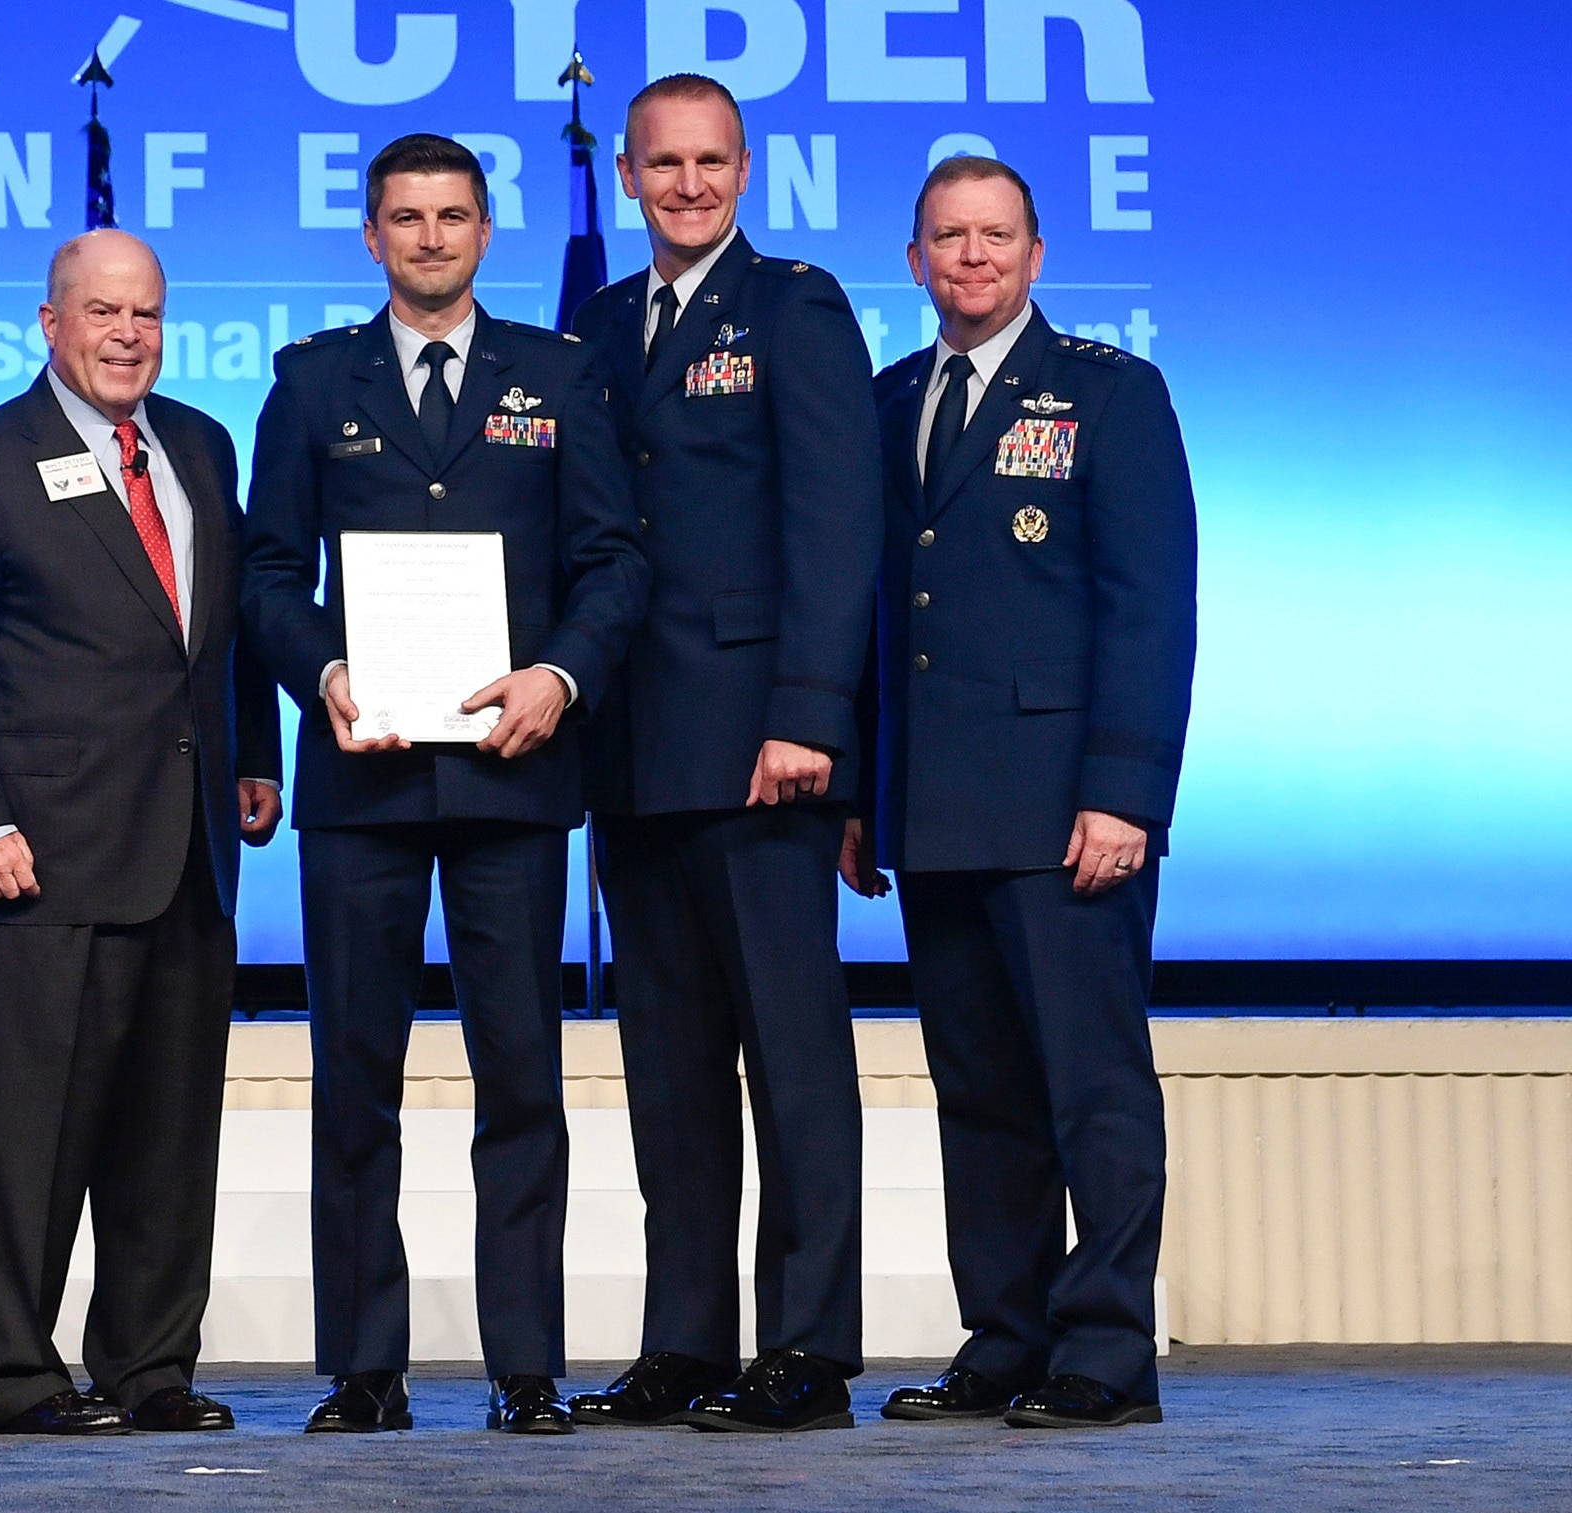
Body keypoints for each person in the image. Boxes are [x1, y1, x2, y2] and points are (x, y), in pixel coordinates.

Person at [241, 134, 649, 1437]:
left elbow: (613, 563)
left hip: (514, 783)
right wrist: (325, 675)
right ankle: (367, 1368)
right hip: (360, 783)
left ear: (489, 230)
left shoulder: (562, 374)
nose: (429, 237)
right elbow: (264, 576)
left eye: (453, 215)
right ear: (372, 237)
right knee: (354, 1080)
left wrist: (561, 679)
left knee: (521, 1081)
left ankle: (527, 1369)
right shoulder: (313, 383)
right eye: (405, 219)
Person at [0, 229, 284, 1436]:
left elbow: (217, 634)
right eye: (102, 312)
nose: (127, 335)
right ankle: (13, 1374)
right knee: (36, 1130)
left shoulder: (203, 448)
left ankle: (147, 1364)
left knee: (170, 1131)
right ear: (50, 322)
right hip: (42, 856)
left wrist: (255, 759)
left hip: (190, 848)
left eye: (147, 315)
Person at [846, 156, 1197, 1429]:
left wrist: (1123, 795)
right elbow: (877, 617)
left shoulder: (1109, 395)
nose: (972, 257)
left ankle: (1103, 1351)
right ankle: (1003, 1335)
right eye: (947, 237)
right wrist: (860, 792)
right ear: (914, 259)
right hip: (934, 810)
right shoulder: (885, 404)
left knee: (1089, 1090)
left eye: (995, 237)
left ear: (1036, 254)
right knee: (980, 1094)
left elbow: (1149, 612)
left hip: (1067, 816)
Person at [565, 75, 882, 1433]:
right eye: (663, 164)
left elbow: (835, 523)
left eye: (712, 162)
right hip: (631, 747)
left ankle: (806, 1347)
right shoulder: (594, 324)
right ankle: (687, 1342)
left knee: (793, 1059)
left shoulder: (795, 307)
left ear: (746, 169)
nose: (688, 185)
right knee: (670, 1070)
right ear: (629, 174)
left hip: (763, 747)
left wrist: (812, 714)